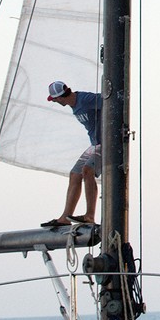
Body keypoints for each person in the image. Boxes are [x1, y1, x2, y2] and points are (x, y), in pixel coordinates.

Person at [42, 81, 102, 227]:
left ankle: (89, 215)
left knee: (87, 170)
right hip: (95, 144)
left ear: (60, 97)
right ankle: (65, 218)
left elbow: (107, 100)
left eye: (54, 99)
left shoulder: (84, 99)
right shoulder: (74, 104)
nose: (54, 102)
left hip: (105, 143)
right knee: (75, 174)